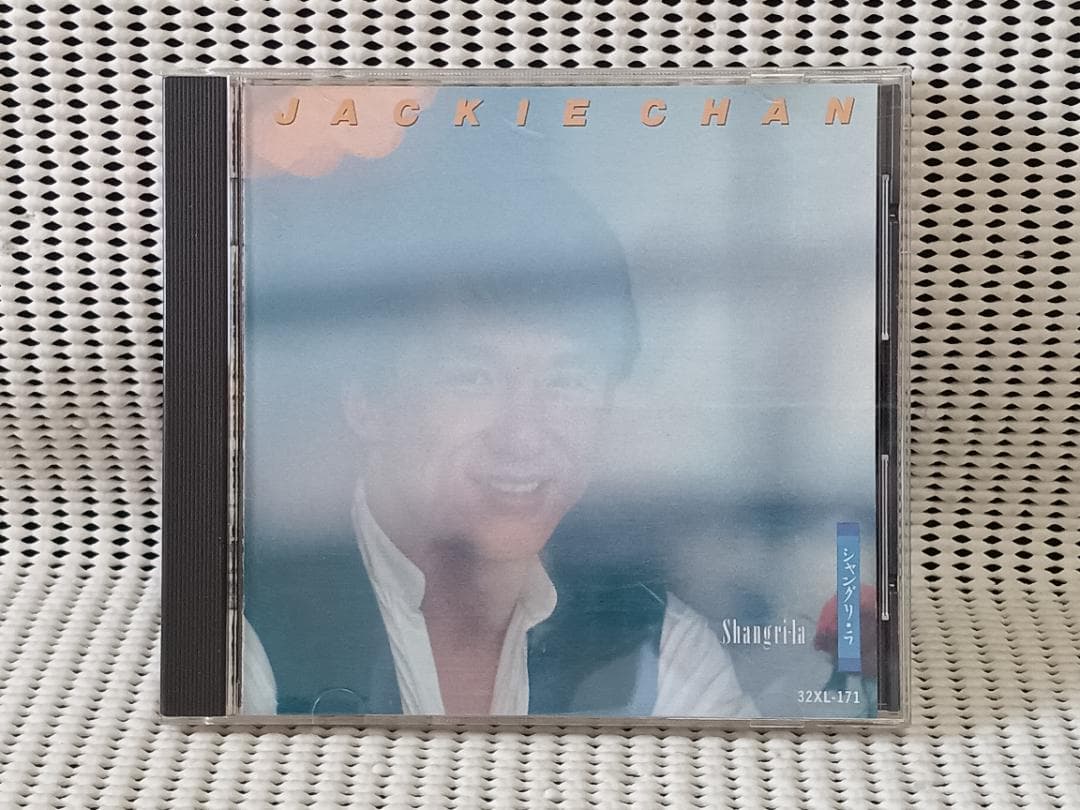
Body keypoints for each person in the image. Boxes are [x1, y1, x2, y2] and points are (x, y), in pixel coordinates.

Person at [241, 169, 756, 718]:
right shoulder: (238, 633)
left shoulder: (662, 651)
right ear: (366, 401)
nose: (523, 436)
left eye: (567, 380)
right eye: (473, 377)